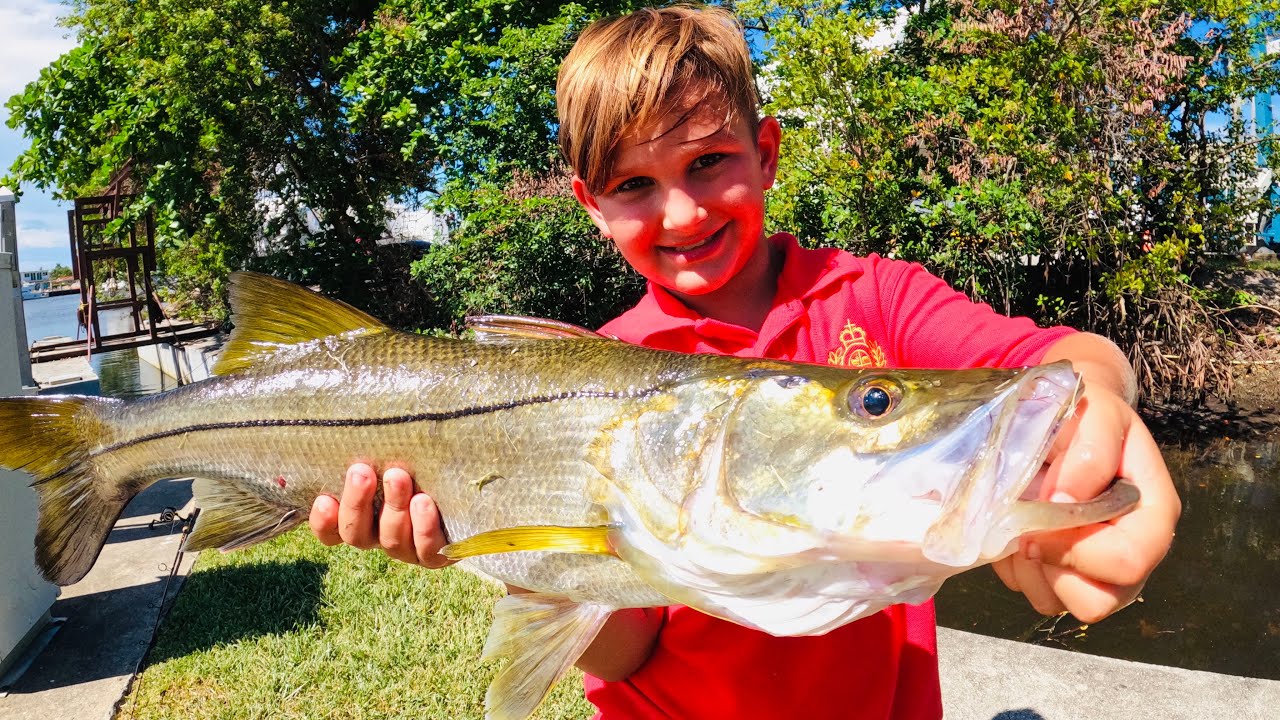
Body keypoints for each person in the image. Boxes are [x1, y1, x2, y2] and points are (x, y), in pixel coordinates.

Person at [309, 5, 1181, 718]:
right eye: (633, 185)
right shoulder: (616, 358)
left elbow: (1057, 359)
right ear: (589, 204)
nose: (682, 212)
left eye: (709, 161)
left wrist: (1097, 402)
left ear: (765, 154)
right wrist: (493, 555)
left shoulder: (874, 297)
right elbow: (628, 647)